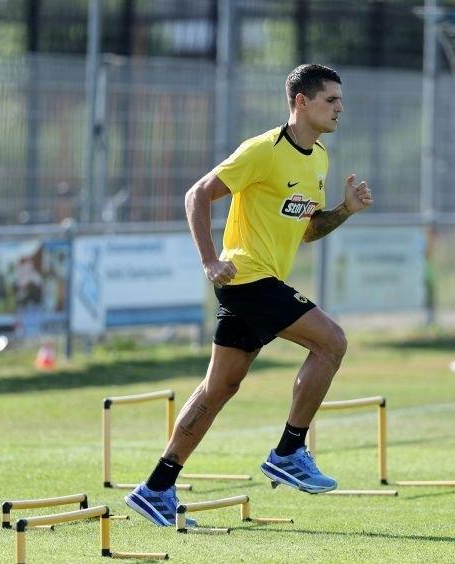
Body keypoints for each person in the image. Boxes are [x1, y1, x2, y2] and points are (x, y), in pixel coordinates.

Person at [126, 64, 373, 526]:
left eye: (341, 100)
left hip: (257, 282)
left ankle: (155, 488)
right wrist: (209, 260)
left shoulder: (319, 157)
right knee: (332, 342)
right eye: (331, 100)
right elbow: (197, 195)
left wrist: (345, 210)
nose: (340, 108)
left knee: (219, 388)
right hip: (248, 278)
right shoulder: (262, 150)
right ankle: (289, 451)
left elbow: (307, 229)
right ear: (301, 102)